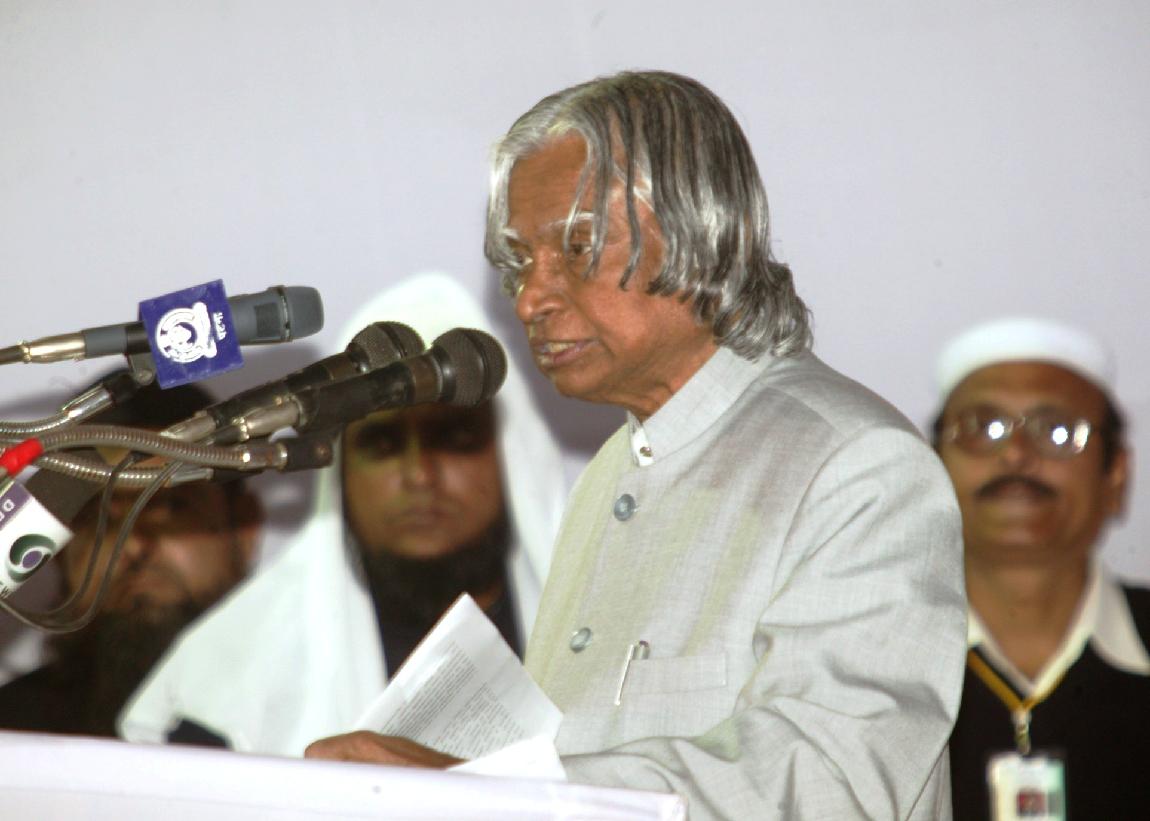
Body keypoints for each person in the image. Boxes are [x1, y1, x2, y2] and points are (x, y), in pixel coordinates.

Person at [305, 71, 967, 819]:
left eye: (577, 246)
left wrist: (488, 790)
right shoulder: (609, 477)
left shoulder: (855, 467)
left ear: (701, 233)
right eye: (519, 263)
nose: (531, 298)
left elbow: (830, 780)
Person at [120, 272, 567, 754]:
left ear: (510, 459)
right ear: (340, 473)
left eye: (453, 438)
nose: (419, 475)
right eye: (383, 444)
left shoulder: (598, 633)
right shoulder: (231, 684)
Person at [930, 317, 1148, 820]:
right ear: (932, 469)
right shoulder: (869, 664)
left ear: (1116, 475)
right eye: (982, 427)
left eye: (1056, 430)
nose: (1016, 454)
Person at [0, 380, 262, 743]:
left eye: (172, 507)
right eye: (100, 519)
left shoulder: (317, 715)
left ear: (244, 529)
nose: (134, 544)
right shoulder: (12, 738)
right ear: (55, 551)